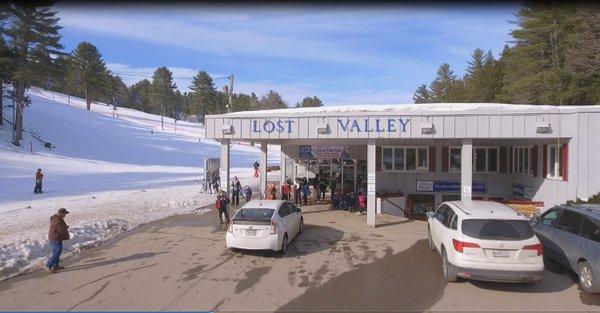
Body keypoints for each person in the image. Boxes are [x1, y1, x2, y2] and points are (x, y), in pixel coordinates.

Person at [45, 208, 70, 272]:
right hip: (55, 238)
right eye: (64, 214)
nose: (65, 215)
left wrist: (65, 227)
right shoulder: (57, 220)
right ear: (61, 213)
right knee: (56, 253)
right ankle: (48, 265)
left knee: (56, 252)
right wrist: (65, 228)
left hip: (55, 238)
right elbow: (61, 229)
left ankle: (55, 266)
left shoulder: (57, 218)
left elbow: (60, 227)